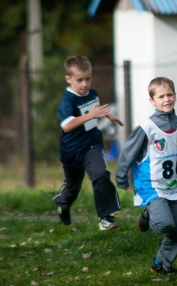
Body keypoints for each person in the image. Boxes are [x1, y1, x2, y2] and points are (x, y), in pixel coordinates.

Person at [115, 77, 177, 275]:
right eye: (161, 96)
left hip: (175, 186)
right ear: (152, 101)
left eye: (169, 95)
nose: (166, 99)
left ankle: (161, 264)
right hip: (151, 186)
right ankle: (149, 214)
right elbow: (127, 153)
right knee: (165, 224)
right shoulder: (146, 128)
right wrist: (122, 178)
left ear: (175, 96)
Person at [53, 55, 124, 230]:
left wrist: (108, 115)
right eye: (80, 80)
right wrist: (90, 116)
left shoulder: (92, 93)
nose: (85, 84)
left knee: (100, 174)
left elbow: (95, 107)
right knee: (72, 186)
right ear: (68, 79)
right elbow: (67, 125)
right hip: (72, 149)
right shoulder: (67, 101)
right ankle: (63, 203)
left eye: (88, 79)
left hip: (92, 144)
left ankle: (105, 217)